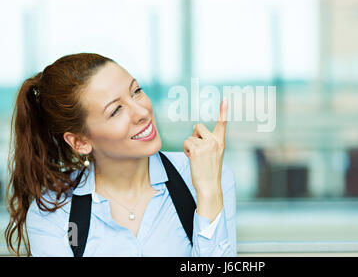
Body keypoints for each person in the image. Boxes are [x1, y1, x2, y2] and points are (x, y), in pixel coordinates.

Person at [4, 53, 236, 256]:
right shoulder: (55, 213)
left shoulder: (205, 175)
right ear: (80, 141)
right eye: (116, 110)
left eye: (136, 91)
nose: (142, 111)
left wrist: (208, 191)